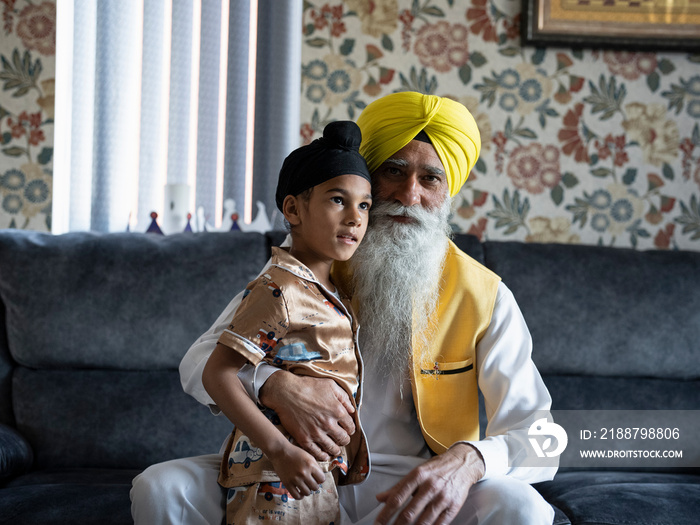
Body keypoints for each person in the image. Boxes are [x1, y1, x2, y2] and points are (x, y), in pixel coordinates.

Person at [131, 91, 558, 525]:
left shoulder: (484, 295)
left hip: (409, 489)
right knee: (161, 488)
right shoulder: (309, 264)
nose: (409, 195)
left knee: (521, 507)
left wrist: (471, 461)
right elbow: (198, 362)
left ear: (449, 192)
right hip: (290, 469)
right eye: (393, 171)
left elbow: (544, 440)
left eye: (430, 179)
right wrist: (275, 385)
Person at [201, 120, 372, 524]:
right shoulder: (279, 289)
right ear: (293, 209)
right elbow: (217, 373)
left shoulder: (332, 292)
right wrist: (279, 450)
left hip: (315, 471)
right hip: (274, 474)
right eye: (337, 200)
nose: (354, 218)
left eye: (364, 205)